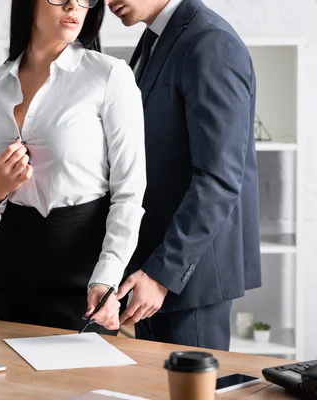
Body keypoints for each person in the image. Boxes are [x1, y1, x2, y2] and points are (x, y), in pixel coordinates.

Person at [0, 0, 146, 334]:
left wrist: (107, 278)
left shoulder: (109, 76)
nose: (73, 6)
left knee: (85, 383)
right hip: (13, 269)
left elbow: (130, 191)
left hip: (85, 272)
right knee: (15, 383)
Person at [105, 0, 262, 350]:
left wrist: (162, 273)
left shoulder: (211, 42)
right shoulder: (156, 37)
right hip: (152, 268)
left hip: (187, 278)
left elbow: (219, 178)